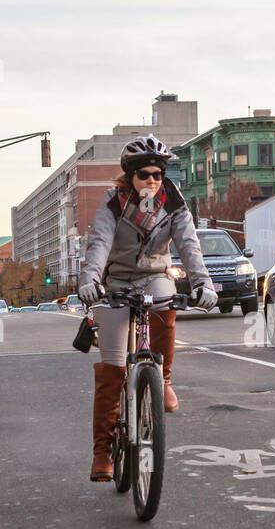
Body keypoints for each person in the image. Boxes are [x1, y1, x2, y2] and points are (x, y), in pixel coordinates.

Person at [76, 135, 216, 482]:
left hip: (155, 274)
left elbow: (188, 244)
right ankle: (102, 452)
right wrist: (90, 280)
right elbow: (99, 244)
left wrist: (203, 284)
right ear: (130, 177)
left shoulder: (174, 201)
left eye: (157, 173)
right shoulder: (113, 202)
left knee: (166, 309)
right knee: (112, 369)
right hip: (118, 280)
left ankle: (162, 379)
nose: (152, 179)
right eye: (144, 174)